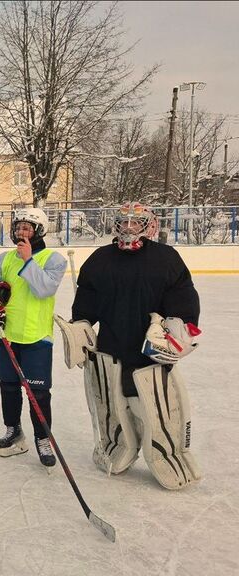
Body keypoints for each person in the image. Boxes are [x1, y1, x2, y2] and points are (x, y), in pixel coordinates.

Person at [64, 201, 202, 489]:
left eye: (135, 222)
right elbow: (87, 298)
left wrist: (180, 324)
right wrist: (81, 325)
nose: (128, 228)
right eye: (123, 222)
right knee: (112, 404)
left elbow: (182, 292)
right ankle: (116, 446)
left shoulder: (165, 258)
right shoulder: (100, 259)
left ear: (148, 225)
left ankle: (168, 454)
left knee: (158, 408)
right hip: (111, 347)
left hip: (150, 351)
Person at [0, 208, 67, 468]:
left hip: (37, 338)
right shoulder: (4, 259)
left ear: (39, 231)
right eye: (18, 227)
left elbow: (44, 289)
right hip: (6, 334)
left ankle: (43, 438)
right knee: (8, 386)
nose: (20, 232)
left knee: (38, 392)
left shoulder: (53, 259)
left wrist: (29, 261)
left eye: (27, 228)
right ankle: (13, 430)